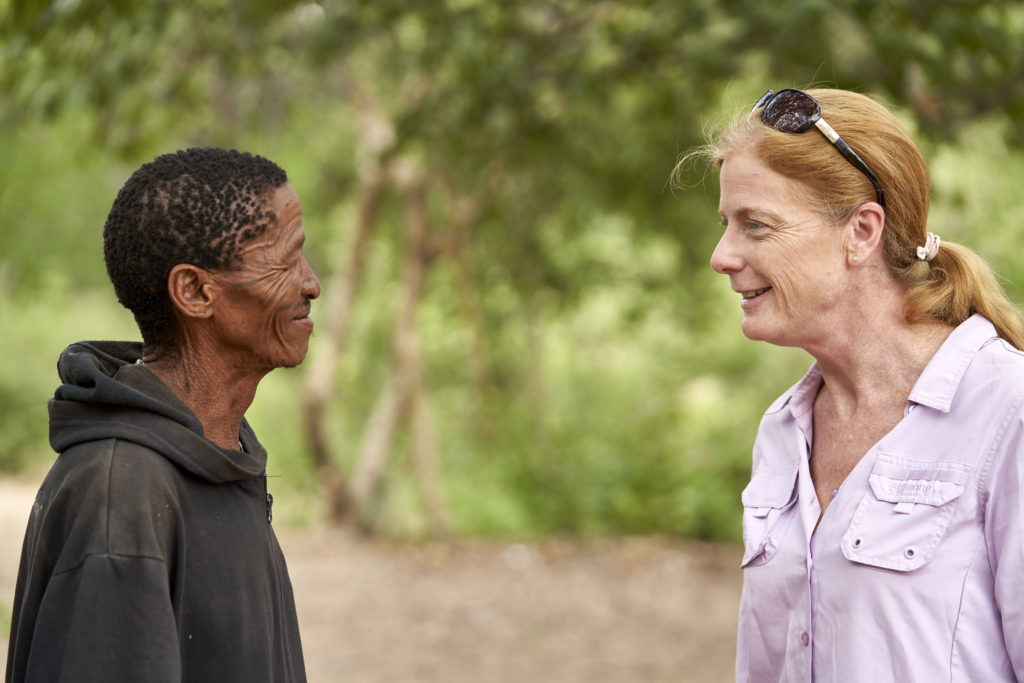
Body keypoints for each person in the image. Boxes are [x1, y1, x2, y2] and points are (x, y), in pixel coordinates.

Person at [701, 88, 1024, 680]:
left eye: (756, 225)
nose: (722, 255)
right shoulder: (785, 427)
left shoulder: (1007, 410)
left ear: (861, 232)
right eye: (727, 224)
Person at [5, 147, 319, 682]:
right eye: (285, 262)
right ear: (196, 291)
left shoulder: (217, 456)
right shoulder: (120, 494)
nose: (310, 283)